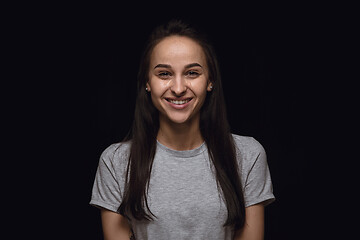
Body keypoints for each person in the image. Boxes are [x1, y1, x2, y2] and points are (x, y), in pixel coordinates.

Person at [90, 19, 275, 240]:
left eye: (192, 73)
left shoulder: (248, 155)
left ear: (210, 81)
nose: (178, 88)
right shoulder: (116, 161)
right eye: (164, 74)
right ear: (147, 83)